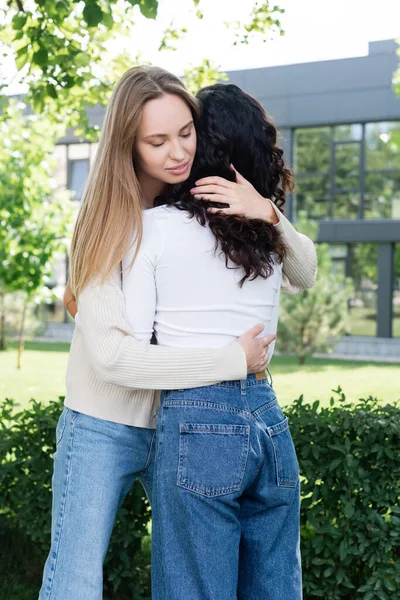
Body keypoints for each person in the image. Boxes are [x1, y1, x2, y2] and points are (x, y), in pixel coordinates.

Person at [38, 66, 286, 600]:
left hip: (181, 422)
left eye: (186, 133)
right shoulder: (106, 219)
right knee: (76, 578)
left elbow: (301, 268)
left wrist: (270, 214)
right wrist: (231, 360)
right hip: (104, 424)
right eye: (157, 141)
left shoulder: (190, 208)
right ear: (129, 145)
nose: (177, 152)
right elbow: (112, 359)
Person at [122, 83, 305, 600]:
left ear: (205, 147)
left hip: (197, 419)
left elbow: (134, 354)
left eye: (188, 135)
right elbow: (306, 271)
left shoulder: (153, 228)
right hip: (268, 415)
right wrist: (268, 209)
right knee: (275, 587)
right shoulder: (269, 239)